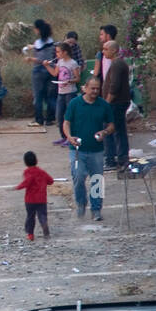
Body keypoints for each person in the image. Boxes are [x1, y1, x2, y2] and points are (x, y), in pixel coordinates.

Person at [62, 77, 116, 222]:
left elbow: (111, 125)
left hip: (97, 150)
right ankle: (81, 203)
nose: (95, 91)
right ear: (85, 88)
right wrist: (69, 137)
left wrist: (104, 132)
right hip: (77, 150)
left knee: (97, 180)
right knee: (78, 177)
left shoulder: (104, 105)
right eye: (92, 88)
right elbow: (66, 123)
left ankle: (96, 209)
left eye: (97, 89)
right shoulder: (74, 103)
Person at [101, 40, 132, 169]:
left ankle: (112, 159)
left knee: (111, 130)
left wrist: (107, 103)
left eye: (105, 49)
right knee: (119, 130)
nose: (103, 52)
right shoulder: (117, 63)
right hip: (118, 102)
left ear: (113, 50)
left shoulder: (117, 64)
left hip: (116, 103)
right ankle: (120, 158)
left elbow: (114, 86)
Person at [43, 42, 80, 146]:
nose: (57, 54)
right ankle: (63, 137)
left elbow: (78, 78)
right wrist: (46, 66)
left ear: (65, 52)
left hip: (70, 92)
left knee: (69, 116)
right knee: (59, 116)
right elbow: (55, 73)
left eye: (58, 52)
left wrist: (70, 81)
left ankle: (70, 137)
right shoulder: (59, 62)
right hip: (61, 92)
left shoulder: (73, 63)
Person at [22, 19, 56, 129]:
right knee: (49, 96)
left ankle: (39, 119)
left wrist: (30, 58)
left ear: (37, 29)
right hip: (50, 70)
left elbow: (40, 59)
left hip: (39, 71)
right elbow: (45, 52)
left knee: (38, 96)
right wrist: (33, 46)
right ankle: (50, 118)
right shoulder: (50, 40)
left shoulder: (38, 42)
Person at [16, 150, 53, 241]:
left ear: (25, 162)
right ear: (36, 160)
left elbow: (26, 182)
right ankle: (44, 224)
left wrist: (18, 187)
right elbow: (51, 181)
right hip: (41, 199)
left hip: (30, 200)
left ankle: (30, 234)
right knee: (42, 215)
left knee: (30, 216)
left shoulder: (27, 172)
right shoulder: (42, 172)